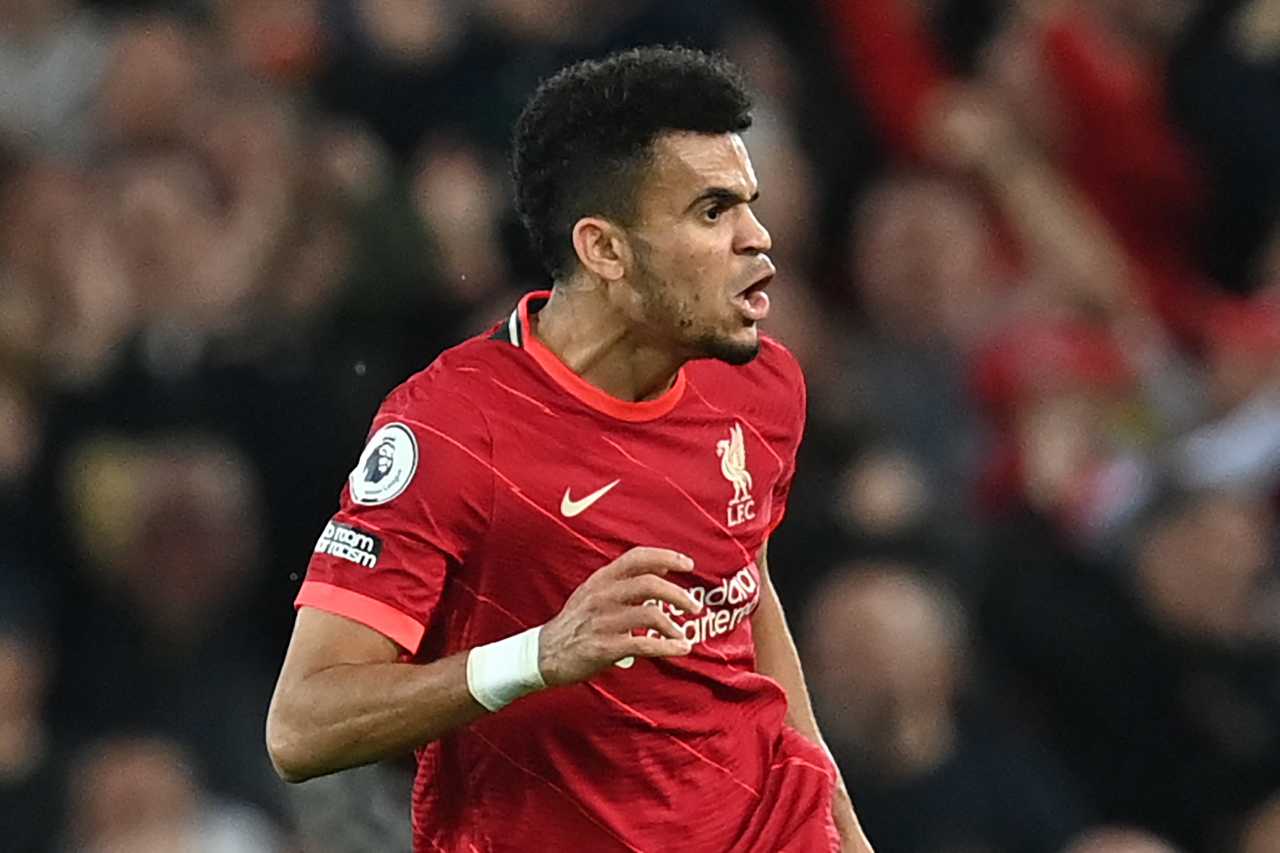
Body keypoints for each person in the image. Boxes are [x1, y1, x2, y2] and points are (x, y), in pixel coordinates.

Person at [266, 46, 874, 853]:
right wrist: (541, 655)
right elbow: (302, 725)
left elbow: (744, 587)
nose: (758, 237)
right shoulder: (452, 428)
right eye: (712, 211)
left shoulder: (761, 384)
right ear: (605, 249)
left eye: (749, 205)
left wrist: (844, 827)